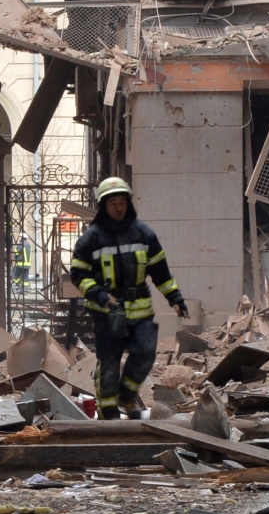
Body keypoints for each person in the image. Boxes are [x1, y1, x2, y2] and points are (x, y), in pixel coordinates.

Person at [69, 177, 189, 420]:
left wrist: (175, 298)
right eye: (113, 203)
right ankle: (109, 411)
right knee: (110, 363)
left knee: (145, 352)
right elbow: (78, 274)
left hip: (140, 308)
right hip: (106, 313)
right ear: (104, 206)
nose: (118, 207)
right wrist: (100, 295)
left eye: (122, 202)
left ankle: (127, 393)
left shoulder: (144, 234)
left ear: (128, 203)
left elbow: (160, 272)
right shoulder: (91, 239)